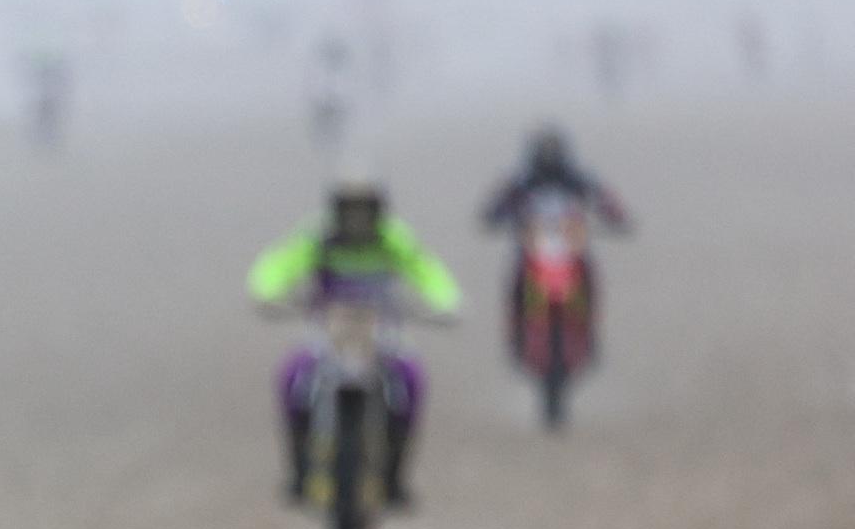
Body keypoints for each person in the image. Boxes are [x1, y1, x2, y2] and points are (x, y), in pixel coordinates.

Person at [247, 177, 461, 506]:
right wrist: (265, 291)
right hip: (328, 331)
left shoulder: (393, 239)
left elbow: (426, 270)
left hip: (381, 332)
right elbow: (280, 264)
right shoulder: (318, 236)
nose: (356, 220)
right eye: (350, 211)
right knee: (292, 376)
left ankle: (394, 476)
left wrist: (446, 301)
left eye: (364, 211)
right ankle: (300, 469)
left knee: (410, 378)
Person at [479, 126, 630, 352]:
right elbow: (496, 206)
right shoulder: (521, 181)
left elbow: (605, 200)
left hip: (570, 246)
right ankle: (516, 328)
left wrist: (616, 217)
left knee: (588, 275)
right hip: (534, 246)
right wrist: (495, 217)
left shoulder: (578, 178)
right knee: (518, 280)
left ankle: (589, 326)